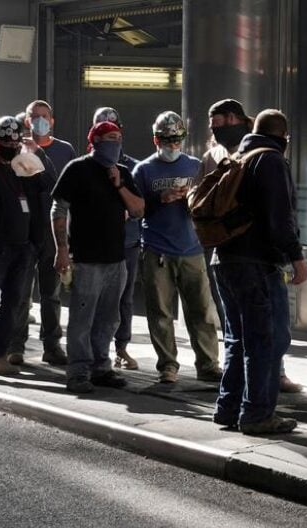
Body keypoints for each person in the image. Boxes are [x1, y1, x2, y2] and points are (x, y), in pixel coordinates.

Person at [212, 109, 307, 435]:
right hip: (257, 263)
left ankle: (228, 408)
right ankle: (257, 414)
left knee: (237, 339)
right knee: (265, 340)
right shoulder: (271, 160)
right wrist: (297, 257)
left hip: (224, 259)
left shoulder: (240, 155)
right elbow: (280, 218)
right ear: (285, 138)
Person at [51, 121, 144, 393]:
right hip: (86, 258)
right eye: (109, 138)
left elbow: (138, 210)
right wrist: (62, 249)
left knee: (109, 317)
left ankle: (101, 367)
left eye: (118, 138)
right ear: (95, 141)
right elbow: (58, 209)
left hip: (117, 258)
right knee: (82, 319)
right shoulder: (77, 169)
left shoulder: (123, 173)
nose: (115, 143)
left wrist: (119, 185)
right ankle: (78, 371)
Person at [0, 116, 56, 382]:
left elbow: (49, 184)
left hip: (23, 247)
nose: (12, 147)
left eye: (15, 143)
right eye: (6, 143)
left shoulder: (23, 167)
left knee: (13, 305)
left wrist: (37, 154)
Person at [133, 111, 222, 383]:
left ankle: (208, 363)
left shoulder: (195, 166)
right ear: (156, 140)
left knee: (201, 311)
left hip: (191, 248)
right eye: (167, 140)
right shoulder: (144, 170)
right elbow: (134, 210)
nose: (172, 145)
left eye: (177, 140)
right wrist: (160, 199)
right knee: (160, 312)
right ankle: (167, 365)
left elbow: (210, 203)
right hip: (156, 248)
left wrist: (191, 201)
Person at [8, 99, 75, 367]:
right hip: (24, 231)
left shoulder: (64, 150)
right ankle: (16, 345)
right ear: (26, 121)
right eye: (34, 116)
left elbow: (65, 187)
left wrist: (67, 240)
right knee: (21, 292)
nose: (39, 121)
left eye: (44, 116)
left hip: (52, 231)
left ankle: (52, 345)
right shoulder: (14, 149)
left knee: (51, 293)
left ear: (52, 120)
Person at [93, 106, 141, 370]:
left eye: (114, 133)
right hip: (95, 245)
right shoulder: (84, 167)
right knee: (94, 297)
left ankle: (121, 347)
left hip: (127, 243)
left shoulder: (132, 167)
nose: (110, 139)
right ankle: (94, 350)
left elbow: (141, 207)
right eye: (103, 132)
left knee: (124, 297)